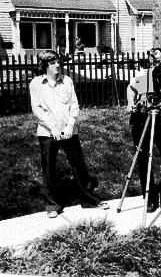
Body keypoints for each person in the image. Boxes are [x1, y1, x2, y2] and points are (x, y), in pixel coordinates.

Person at [29, 50, 109, 218]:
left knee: (78, 164)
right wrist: (53, 128)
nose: (57, 65)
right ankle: (53, 205)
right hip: (47, 132)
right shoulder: (36, 84)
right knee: (48, 168)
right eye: (52, 63)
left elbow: (74, 105)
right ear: (45, 65)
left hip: (69, 131)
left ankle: (89, 199)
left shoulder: (67, 81)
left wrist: (70, 126)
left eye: (58, 61)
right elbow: (37, 110)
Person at [126, 47, 161, 214]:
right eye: (152, 55)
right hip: (142, 118)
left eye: (158, 55)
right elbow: (131, 88)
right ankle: (150, 198)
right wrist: (130, 103)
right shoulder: (141, 74)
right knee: (144, 158)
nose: (154, 58)